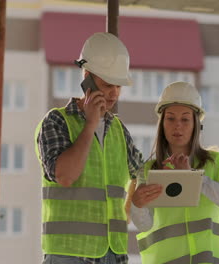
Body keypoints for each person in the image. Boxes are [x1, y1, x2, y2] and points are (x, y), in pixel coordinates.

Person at [35, 32, 143, 264]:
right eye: (107, 85)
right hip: (69, 255)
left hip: (113, 255)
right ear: (87, 79)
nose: (114, 93)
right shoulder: (56, 122)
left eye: (118, 85)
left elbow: (144, 174)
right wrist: (91, 123)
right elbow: (65, 176)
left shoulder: (118, 131)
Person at [130, 81, 219, 264]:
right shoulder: (149, 170)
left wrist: (195, 178)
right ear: (162, 123)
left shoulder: (215, 161)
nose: (177, 126)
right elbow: (145, 224)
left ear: (196, 123)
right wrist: (137, 204)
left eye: (185, 119)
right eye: (171, 118)